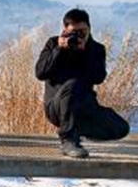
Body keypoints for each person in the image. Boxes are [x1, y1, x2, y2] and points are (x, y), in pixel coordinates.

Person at [34, 8, 130, 158]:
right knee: (73, 84)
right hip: (56, 107)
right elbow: (40, 73)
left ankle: (78, 128)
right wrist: (59, 50)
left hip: (85, 106)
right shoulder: (53, 43)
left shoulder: (96, 49)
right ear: (65, 30)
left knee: (121, 128)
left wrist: (86, 51)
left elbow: (98, 78)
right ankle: (68, 140)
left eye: (82, 31)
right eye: (74, 32)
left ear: (89, 28)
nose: (78, 35)